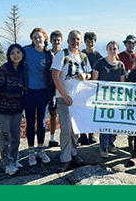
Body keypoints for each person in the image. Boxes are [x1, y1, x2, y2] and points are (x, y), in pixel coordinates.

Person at [51, 30, 91, 172]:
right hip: (64, 99)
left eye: (78, 39)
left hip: (78, 100)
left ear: (81, 42)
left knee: (75, 129)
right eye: (72, 39)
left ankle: (74, 154)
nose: (75, 41)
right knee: (66, 129)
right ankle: (65, 159)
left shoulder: (83, 57)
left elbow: (89, 73)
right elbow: (55, 75)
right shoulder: (62, 54)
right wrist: (64, 95)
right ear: (68, 41)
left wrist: (85, 76)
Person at [0, 44, 27, 176]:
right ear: (9, 56)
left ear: (22, 54)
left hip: (17, 109)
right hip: (3, 110)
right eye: (12, 53)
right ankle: (7, 163)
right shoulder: (4, 69)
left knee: (16, 137)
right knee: (5, 137)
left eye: (18, 52)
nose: (16, 56)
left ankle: (14, 160)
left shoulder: (23, 69)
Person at [23, 28, 53, 166]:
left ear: (44, 38)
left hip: (43, 92)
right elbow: (14, 57)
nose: (37, 40)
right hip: (29, 91)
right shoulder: (26, 51)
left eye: (39, 37)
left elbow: (54, 74)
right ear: (32, 39)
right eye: (34, 37)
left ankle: (40, 150)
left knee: (41, 122)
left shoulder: (48, 55)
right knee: (30, 122)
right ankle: (30, 153)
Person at [92, 41, 127, 158]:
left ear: (118, 50)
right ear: (107, 49)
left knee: (114, 122)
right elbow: (94, 81)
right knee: (104, 122)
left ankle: (111, 143)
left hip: (115, 98)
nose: (112, 50)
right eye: (110, 48)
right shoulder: (100, 62)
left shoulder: (121, 65)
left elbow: (122, 83)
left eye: (115, 48)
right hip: (102, 97)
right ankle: (103, 147)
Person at [80, 32, 104, 146]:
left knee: (92, 111)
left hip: (94, 88)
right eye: (88, 41)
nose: (90, 43)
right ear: (85, 42)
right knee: (81, 111)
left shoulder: (99, 57)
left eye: (92, 41)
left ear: (95, 42)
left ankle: (92, 134)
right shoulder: (80, 54)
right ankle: (83, 135)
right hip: (81, 86)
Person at [47, 30, 63, 148]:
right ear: (51, 41)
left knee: (63, 114)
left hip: (62, 87)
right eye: (54, 40)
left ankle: (65, 136)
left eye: (58, 40)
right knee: (53, 114)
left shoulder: (65, 54)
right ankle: (52, 138)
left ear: (61, 41)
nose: (56, 42)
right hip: (50, 87)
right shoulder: (47, 54)